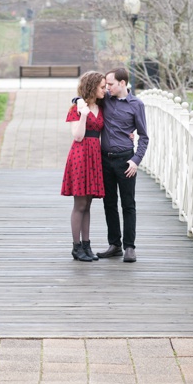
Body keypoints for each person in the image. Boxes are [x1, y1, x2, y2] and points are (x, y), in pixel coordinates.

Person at [95, 67, 150, 263]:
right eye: (106, 85)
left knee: (128, 204)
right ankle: (115, 245)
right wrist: (76, 101)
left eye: (110, 84)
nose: (107, 87)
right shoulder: (105, 100)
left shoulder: (137, 105)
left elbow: (144, 137)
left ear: (122, 83)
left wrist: (136, 160)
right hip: (105, 159)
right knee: (109, 203)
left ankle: (129, 247)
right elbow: (86, 97)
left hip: (126, 160)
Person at [61, 70, 107, 262]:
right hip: (80, 155)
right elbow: (78, 136)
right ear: (92, 87)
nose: (105, 90)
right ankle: (76, 247)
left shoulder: (102, 106)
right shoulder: (77, 109)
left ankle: (87, 246)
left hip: (95, 155)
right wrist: (83, 115)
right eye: (102, 87)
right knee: (79, 204)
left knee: (87, 204)